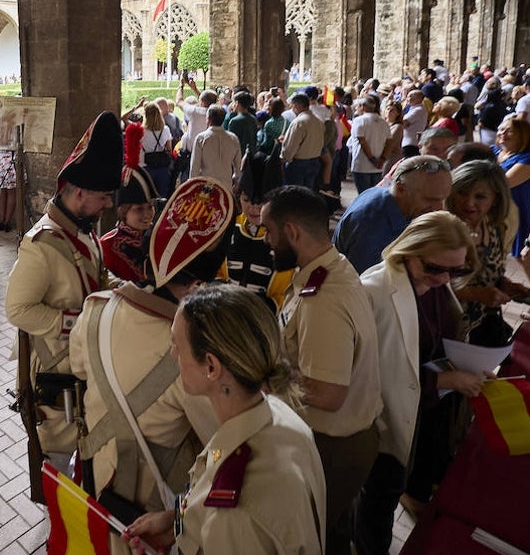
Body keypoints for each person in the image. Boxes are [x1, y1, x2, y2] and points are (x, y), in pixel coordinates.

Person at [72, 178, 234, 539]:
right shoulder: (196, 356)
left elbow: (82, 369)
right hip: (153, 513)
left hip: (94, 481)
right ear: (199, 285)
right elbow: (223, 442)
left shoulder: (96, 310)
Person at [122, 284, 326, 554]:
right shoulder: (279, 414)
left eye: (176, 344)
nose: (173, 354)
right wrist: (177, 524)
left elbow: (234, 523)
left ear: (211, 366)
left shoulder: (234, 512)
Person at [353, 212, 486, 553]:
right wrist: (445, 378)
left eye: (456, 270)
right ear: (408, 251)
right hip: (388, 418)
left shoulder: (432, 285)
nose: (445, 278)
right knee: (380, 500)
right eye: (435, 268)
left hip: (427, 410)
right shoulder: (376, 291)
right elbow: (373, 372)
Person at [262, 185, 381, 554]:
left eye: (269, 230)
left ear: (292, 232)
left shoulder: (324, 298)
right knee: (331, 533)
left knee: (307, 537)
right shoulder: (329, 269)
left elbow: (328, 394)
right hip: (339, 441)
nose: (265, 240)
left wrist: (263, 382)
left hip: (332, 446)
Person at [5, 111, 123, 467]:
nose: (109, 205)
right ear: (80, 193)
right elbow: (17, 310)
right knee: (55, 462)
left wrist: (126, 292)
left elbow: (97, 276)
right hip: (55, 372)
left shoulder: (83, 225)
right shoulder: (40, 244)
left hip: (82, 362)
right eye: (104, 196)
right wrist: (80, 320)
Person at [447, 160, 530, 344]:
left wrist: (503, 284)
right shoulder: (444, 230)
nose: (469, 202)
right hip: (450, 328)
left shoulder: (494, 227)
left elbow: (487, 271)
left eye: (480, 196)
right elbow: (427, 284)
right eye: (462, 193)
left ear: (496, 199)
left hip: (483, 325)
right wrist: (475, 293)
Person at [333, 154, 453, 274]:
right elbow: (365, 282)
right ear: (401, 189)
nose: (439, 208)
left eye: (443, 199)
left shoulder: (387, 195)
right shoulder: (374, 225)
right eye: (430, 200)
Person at [224, 146, 292, 310]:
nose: (254, 209)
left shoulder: (286, 238)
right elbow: (214, 272)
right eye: (246, 200)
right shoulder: (227, 227)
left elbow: (289, 292)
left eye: (261, 202)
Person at [100, 166, 157, 286]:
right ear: (124, 212)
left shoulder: (159, 238)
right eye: (139, 209)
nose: (147, 215)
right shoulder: (107, 245)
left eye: (150, 207)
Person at [495, 117, 530, 257]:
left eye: (509, 131)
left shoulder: (529, 158)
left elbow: (503, 184)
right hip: (502, 214)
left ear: (523, 135)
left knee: (525, 258)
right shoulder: (495, 151)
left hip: (522, 213)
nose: (502, 133)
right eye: (501, 129)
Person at [280, 92, 325, 189]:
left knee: (294, 193)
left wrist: (284, 160)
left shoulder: (299, 122)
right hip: (314, 161)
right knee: (307, 193)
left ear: (297, 106)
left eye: (293, 106)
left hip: (298, 164)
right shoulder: (318, 121)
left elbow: (291, 146)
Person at [349, 94, 392, 192]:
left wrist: (372, 160)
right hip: (378, 166)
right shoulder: (383, 122)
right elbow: (389, 142)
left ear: (363, 107)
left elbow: (362, 142)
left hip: (362, 164)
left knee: (363, 195)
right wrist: (382, 159)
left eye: (358, 106)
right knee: (373, 194)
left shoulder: (359, 120)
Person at [190, 105, 241, 186]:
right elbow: (238, 164)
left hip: (205, 185)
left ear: (208, 119)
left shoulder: (201, 138)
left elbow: (195, 166)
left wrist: (192, 185)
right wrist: (236, 179)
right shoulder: (233, 138)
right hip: (226, 184)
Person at [138, 102, 174, 197]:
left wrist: (137, 106)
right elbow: (169, 149)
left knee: (146, 195)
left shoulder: (140, 131)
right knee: (162, 195)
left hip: (145, 166)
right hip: (162, 167)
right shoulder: (165, 129)